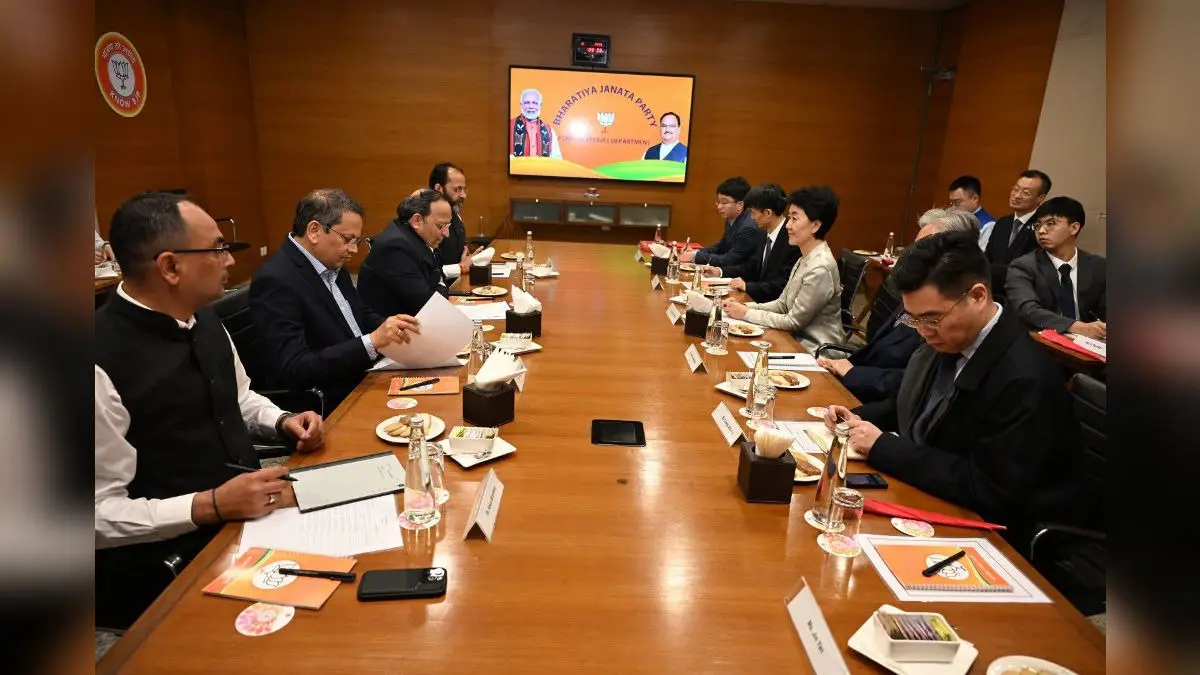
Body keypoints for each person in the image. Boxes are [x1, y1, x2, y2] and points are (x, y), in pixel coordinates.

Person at [96, 192, 325, 628]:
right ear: (169, 266)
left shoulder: (202, 317)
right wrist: (209, 505)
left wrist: (281, 420)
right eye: (218, 249)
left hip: (250, 517)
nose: (230, 262)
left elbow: (239, 397)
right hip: (171, 559)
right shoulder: (97, 359)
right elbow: (96, 513)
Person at [824, 230, 1080, 543]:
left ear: (977, 296)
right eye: (914, 320)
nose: (923, 331)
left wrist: (884, 447)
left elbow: (987, 488)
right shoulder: (951, 338)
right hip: (930, 494)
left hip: (997, 533)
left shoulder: (1023, 379)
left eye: (931, 318)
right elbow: (909, 406)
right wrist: (853, 418)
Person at [249, 189, 421, 411]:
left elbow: (358, 312)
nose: (354, 250)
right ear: (314, 231)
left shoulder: (331, 263)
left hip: (362, 375)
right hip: (329, 400)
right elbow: (295, 368)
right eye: (348, 239)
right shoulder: (275, 280)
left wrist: (394, 325)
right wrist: (373, 341)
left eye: (357, 240)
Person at [817, 209, 979, 403]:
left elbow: (915, 383)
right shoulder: (916, 291)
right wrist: (846, 367)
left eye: (924, 248)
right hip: (858, 383)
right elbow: (878, 348)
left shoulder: (950, 313)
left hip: (875, 396)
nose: (913, 256)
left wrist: (854, 374)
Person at [722, 186, 843, 351]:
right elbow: (782, 305)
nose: (788, 225)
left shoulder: (820, 267)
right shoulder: (806, 257)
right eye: (789, 218)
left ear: (815, 225)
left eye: (794, 219)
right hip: (791, 341)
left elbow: (793, 322)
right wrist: (743, 307)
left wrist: (745, 313)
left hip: (814, 351)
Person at [1006, 196, 1107, 338]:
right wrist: (1076, 327)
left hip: (1091, 345)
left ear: (1074, 228)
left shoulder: (1098, 266)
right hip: (1042, 343)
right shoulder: (1023, 266)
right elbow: (1027, 310)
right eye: (1038, 225)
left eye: (1050, 223)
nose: (1041, 231)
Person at [358, 189, 454, 317]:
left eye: (448, 226)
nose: (446, 234)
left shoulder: (412, 237)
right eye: (441, 226)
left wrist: (439, 286)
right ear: (417, 221)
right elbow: (428, 304)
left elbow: (436, 283)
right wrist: (440, 286)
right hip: (390, 331)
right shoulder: (396, 246)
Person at [701, 183, 799, 303]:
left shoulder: (792, 240)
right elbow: (750, 267)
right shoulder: (764, 233)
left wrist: (747, 286)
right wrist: (719, 272)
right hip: (757, 301)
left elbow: (783, 284)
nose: (751, 218)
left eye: (753, 213)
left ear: (767, 213)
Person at [984, 169, 1052, 301]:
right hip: (990, 293)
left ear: (1040, 199)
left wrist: (989, 271)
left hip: (1019, 298)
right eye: (1015, 189)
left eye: (1025, 193)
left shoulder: (1043, 227)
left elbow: (1029, 270)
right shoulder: (1002, 223)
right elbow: (988, 258)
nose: (1017, 195)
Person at [681, 177, 761, 268]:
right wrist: (697, 252)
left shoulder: (748, 228)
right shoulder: (732, 218)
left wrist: (695, 257)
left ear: (740, 205)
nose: (719, 207)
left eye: (724, 202)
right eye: (718, 202)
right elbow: (721, 246)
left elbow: (730, 259)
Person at [430, 162, 481, 281]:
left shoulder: (456, 216)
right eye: (458, 189)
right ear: (438, 189)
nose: (463, 196)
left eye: (464, 190)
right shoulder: (426, 223)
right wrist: (460, 267)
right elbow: (427, 274)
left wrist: (470, 260)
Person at [510, 88, 562, 159]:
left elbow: (557, 160)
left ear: (540, 106)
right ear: (521, 105)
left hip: (542, 170)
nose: (531, 106)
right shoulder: (508, 127)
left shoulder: (549, 131)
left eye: (534, 103)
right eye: (527, 103)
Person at [947, 175, 995, 250]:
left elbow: (979, 255)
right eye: (952, 202)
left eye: (958, 202)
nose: (953, 207)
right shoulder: (954, 219)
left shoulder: (988, 225)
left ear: (975, 199)